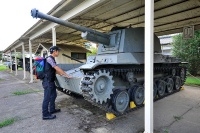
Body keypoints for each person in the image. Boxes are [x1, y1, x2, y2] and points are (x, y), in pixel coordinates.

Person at [42, 46, 71, 120]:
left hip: (51, 81)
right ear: (55, 51)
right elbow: (56, 67)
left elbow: (53, 69)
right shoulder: (49, 59)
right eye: (58, 51)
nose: (58, 52)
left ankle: (52, 109)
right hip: (47, 82)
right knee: (47, 98)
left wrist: (60, 73)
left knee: (53, 95)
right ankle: (45, 114)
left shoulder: (52, 59)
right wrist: (66, 74)